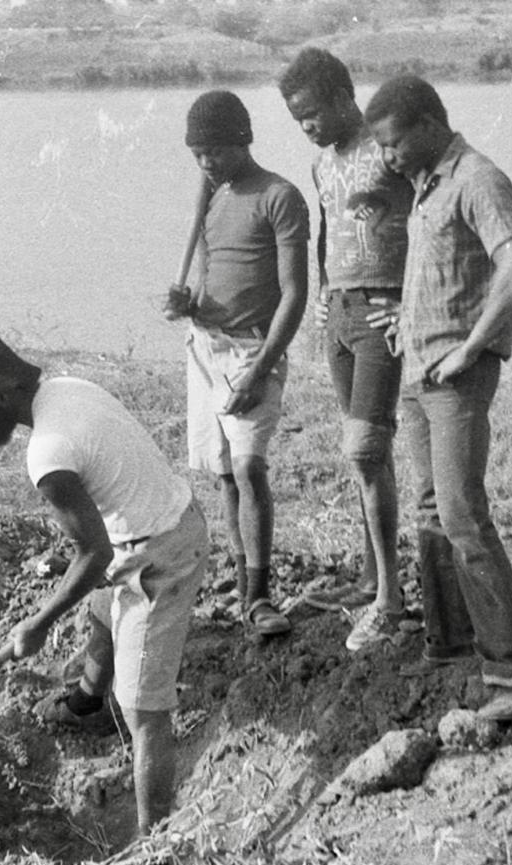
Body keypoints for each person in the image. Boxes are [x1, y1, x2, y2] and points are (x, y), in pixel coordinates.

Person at [0, 324, 209, 839]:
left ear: (2, 390)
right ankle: (85, 705)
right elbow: (102, 553)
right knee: (103, 610)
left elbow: (93, 552)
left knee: (144, 710)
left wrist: (37, 624)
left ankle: (152, 843)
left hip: (162, 555)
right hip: (152, 528)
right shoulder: (66, 389)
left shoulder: (49, 453)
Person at [362, 75, 512, 722]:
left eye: (391, 144)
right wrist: (408, 322)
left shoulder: (477, 178)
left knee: (462, 516)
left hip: (454, 382)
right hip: (418, 375)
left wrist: (473, 346)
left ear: (425, 125)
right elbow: (449, 275)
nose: (386, 157)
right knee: (429, 514)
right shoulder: (424, 187)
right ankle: (449, 646)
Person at [278, 48, 413, 652]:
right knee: (367, 456)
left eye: (311, 113)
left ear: (341, 96)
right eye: (296, 118)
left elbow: (432, 219)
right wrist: (325, 301)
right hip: (342, 316)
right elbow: (331, 231)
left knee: (364, 448)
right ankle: (370, 578)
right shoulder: (320, 164)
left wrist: (410, 304)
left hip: (386, 310)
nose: (306, 126)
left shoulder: (389, 150)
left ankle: (391, 600)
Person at [163, 89, 310, 641]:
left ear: (243, 139)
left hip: (254, 350)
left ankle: (260, 593)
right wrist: (188, 305)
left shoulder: (280, 196)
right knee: (224, 473)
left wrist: (261, 368)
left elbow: (293, 295)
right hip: (205, 348)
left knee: (250, 468)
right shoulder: (211, 198)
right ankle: (243, 581)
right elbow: (209, 280)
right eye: (197, 154)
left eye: (215, 152)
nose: (206, 164)